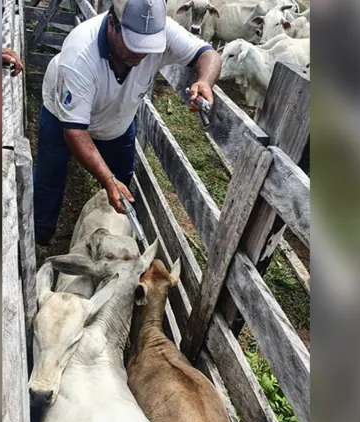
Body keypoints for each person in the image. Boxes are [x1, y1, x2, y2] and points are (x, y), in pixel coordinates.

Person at [34, 0, 221, 245]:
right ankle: (40, 238)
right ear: (112, 23)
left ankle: (109, 243)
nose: (141, 54)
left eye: (148, 46)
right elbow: (74, 130)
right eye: (133, 44)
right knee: (50, 178)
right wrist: (107, 179)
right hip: (63, 115)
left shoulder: (163, 31)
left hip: (118, 120)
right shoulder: (80, 54)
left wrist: (205, 81)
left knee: (122, 181)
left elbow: (208, 54)